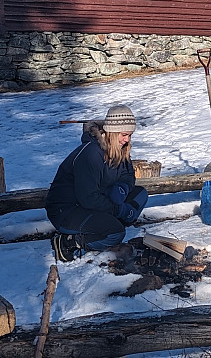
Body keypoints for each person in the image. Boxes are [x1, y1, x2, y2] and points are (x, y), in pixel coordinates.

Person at [46, 104, 148, 262]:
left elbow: (129, 175)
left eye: (130, 135)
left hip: (95, 202)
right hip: (68, 210)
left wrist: (122, 188)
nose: (127, 140)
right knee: (116, 233)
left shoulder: (120, 148)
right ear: (112, 132)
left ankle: (104, 228)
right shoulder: (91, 154)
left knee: (140, 195)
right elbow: (87, 197)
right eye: (124, 134)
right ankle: (68, 242)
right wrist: (118, 209)